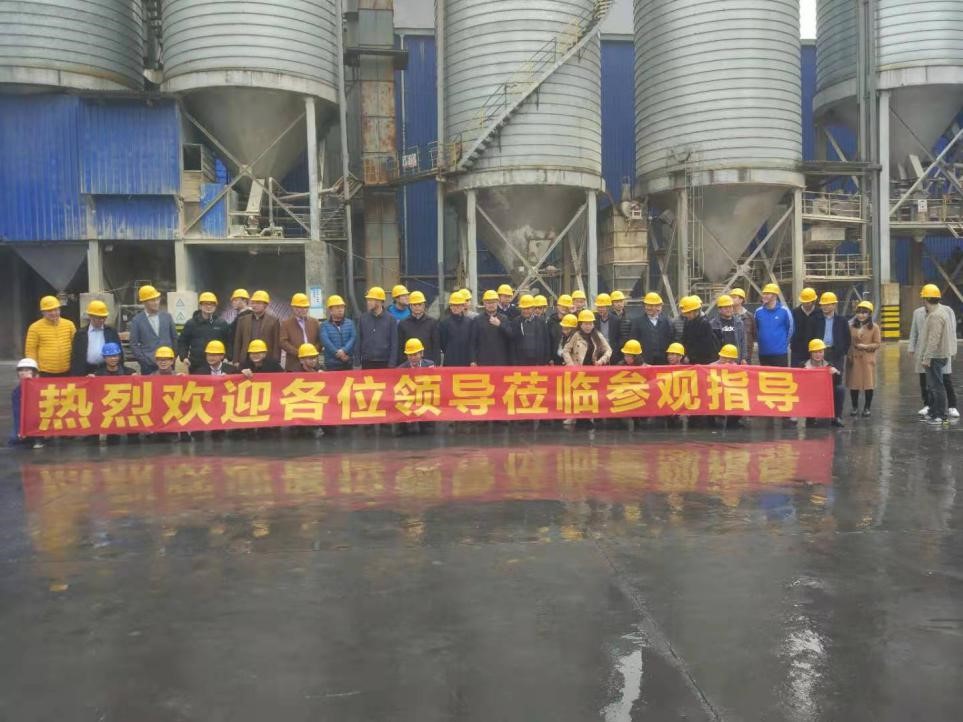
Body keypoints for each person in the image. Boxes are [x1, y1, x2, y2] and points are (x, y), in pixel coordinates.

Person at [909, 284, 959, 419]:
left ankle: (942, 413)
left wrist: (927, 357)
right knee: (931, 384)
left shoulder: (938, 314)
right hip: (932, 354)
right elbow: (916, 332)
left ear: (925, 299)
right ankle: (932, 409)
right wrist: (913, 348)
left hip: (936, 355)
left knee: (939, 385)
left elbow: (935, 338)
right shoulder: (927, 313)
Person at [128, 285, 177, 375]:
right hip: (148, 366)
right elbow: (134, 344)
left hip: (168, 364)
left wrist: (172, 358)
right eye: (152, 300)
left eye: (157, 299)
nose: (156, 302)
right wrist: (144, 361)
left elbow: (175, 338)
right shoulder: (137, 320)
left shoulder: (167, 317)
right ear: (144, 302)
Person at [178, 292, 231, 373]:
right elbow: (182, 342)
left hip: (216, 365)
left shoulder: (222, 323)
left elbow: (229, 342)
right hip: (196, 364)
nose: (209, 306)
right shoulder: (191, 323)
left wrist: (227, 357)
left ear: (215, 307)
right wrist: (184, 357)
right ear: (200, 306)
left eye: (212, 304)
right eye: (206, 304)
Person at [25, 296, 76, 377]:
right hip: (45, 372)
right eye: (49, 311)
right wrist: (33, 371)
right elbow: (30, 351)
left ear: (59, 310)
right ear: (43, 312)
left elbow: (76, 346)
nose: (53, 313)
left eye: (56, 310)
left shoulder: (69, 325)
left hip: (67, 371)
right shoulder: (34, 327)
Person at [846, 301, 881, 417]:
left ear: (869, 314)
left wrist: (866, 346)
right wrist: (849, 354)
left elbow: (877, 344)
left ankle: (867, 408)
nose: (861, 315)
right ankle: (855, 407)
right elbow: (848, 342)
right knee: (854, 384)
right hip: (854, 358)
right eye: (859, 312)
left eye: (864, 313)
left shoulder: (874, 327)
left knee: (868, 385)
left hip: (867, 359)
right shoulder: (851, 326)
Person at [70, 300, 122, 376]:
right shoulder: (80, 334)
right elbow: (75, 357)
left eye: (104, 317)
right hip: (86, 370)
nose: (102, 320)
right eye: (99, 318)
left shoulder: (111, 332)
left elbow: (119, 352)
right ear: (90, 316)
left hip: (106, 370)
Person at [232, 290, 281, 367]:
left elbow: (276, 343)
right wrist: (236, 360)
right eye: (253, 303)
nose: (254, 305)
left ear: (265, 305)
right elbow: (238, 341)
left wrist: (276, 362)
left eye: (258, 303)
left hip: (267, 360)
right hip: (246, 360)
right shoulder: (243, 320)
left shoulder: (273, 321)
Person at [805, 339, 845, 427]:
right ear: (810, 353)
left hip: (824, 392)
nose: (818, 355)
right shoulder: (803, 365)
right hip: (809, 393)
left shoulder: (829, 365)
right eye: (815, 352)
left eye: (820, 352)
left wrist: (836, 373)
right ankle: (810, 417)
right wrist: (804, 372)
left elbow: (837, 382)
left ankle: (836, 417)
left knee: (840, 389)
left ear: (824, 352)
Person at [356, 286, 398, 369]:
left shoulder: (391, 319)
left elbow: (394, 343)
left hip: (385, 362)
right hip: (367, 362)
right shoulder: (363, 318)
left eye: (370, 300)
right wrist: (357, 362)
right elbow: (358, 341)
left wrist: (392, 363)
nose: (368, 302)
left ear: (379, 301)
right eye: (368, 300)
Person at [810, 291, 850, 374]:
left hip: (836, 353)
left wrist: (842, 351)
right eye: (823, 305)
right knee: (820, 376)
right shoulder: (815, 319)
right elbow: (810, 336)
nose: (825, 307)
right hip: (819, 353)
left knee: (837, 376)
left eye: (828, 305)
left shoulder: (842, 320)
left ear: (834, 305)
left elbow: (847, 338)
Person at [754, 283, 793, 367]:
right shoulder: (758, 312)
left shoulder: (784, 311)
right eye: (764, 293)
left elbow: (790, 329)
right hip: (763, 353)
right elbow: (756, 329)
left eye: (767, 294)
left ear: (775, 296)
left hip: (780, 353)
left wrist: (783, 344)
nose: (764, 296)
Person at [630, 292, 674, 365]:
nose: (653, 308)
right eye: (650, 305)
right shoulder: (637, 322)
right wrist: (640, 361)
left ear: (661, 306)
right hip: (644, 362)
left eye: (657, 306)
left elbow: (672, 341)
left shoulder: (667, 322)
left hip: (664, 362)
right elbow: (633, 343)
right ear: (644, 306)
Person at [471, 290, 513, 366]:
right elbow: (473, 342)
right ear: (484, 303)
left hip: (500, 359)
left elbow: (511, 335)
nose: (491, 305)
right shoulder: (477, 320)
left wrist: (500, 325)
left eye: (493, 302)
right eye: (488, 302)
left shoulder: (504, 318)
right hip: (483, 360)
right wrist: (473, 360)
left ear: (497, 302)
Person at [398, 290, 441, 365]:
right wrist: (403, 365)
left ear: (424, 306)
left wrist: (436, 365)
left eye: (419, 304)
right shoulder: (403, 324)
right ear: (410, 306)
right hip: (409, 365)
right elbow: (400, 347)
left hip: (428, 365)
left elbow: (436, 347)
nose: (417, 307)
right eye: (414, 305)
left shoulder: (432, 323)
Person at [280, 293, 321, 371]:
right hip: (293, 365)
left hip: (313, 365)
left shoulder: (315, 322)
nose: (304, 310)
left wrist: (312, 353)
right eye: (300, 307)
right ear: (293, 308)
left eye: (306, 307)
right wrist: (300, 353)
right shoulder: (286, 324)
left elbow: (320, 341)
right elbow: (283, 342)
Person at [10, 358, 41, 448]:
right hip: (26, 423)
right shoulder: (16, 392)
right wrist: (21, 430)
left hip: (41, 422)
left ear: (36, 374)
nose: (23, 373)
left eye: (27, 370)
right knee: (15, 438)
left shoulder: (45, 389)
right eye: (21, 370)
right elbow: (17, 414)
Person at [512, 294, 550, 366]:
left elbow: (546, 341)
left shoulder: (541, 322)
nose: (526, 311)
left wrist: (546, 360)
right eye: (524, 308)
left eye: (528, 308)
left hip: (538, 361)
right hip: (521, 361)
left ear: (533, 308)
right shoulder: (516, 322)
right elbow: (513, 343)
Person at [320, 294, 355, 371]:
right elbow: (326, 342)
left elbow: (353, 338)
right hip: (332, 364)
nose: (340, 310)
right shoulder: (324, 325)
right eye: (337, 307)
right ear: (330, 310)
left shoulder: (350, 323)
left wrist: (344, 350)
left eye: (342, 307)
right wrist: (337, 353)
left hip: (348, 361)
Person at [679, 296, 719, 364]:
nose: (687, 315)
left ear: (696, 311)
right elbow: (684, 340)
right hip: (691, 360)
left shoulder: (704, 324)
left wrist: (690, 357)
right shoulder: (688, 321)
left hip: (704, 361)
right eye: (686, 313)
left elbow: (704, 345)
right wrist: (684, 355)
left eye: (688, 313)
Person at [709, 294, 747, 363]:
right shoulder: (713, 324)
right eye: (725, 307)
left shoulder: (739, 323)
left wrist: (743, 358)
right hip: (720, 360)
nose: (728, 309)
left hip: (735, 360)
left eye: (730, 307)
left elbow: (743, 341)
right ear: (719, 309)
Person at [439, 290, 473, 367]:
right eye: (453, 305)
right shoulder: (444, 323)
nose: (455, 308)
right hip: (450, 361)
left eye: (458, 305)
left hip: (466, 361)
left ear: (463, 306)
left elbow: (472, 343)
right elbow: (443, 344)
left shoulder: (470, 322)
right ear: (450, 306)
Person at [790, 288, 819, 367]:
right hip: (797, 352)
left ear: (813, 301)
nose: (805, 304)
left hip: (814, 351)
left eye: (808, 302)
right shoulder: (794, 313)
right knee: (797, 373)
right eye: (803, 302)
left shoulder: (819, 313)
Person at [595, 294, 623, 364]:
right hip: (598, 353)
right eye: (599, 307)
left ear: (608, 307)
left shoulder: (616, 320)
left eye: (602, 307)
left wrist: (615, 350)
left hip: (613, 353)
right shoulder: (594, 319)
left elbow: (620, 337)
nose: (600, 309)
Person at [547, 294, 574, 365]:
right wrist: (550, 358)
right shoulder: (551, 321)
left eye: (566, 306)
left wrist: (574, 313)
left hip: (571, 359)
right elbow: (548, 340)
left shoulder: (574, 319)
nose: (564, 308)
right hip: (555, 359)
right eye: (562, 306)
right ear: (558, 306)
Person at [730, 288, 756, 361]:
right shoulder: (728, 316)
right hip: (731, 353)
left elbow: (754, 334)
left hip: (746, 354)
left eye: (734, 297)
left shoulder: (749, 316)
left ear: (741, 300)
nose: (731, 299)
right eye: (731, 297)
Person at [227, 288, 251, 356]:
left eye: (236, 300)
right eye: (232, 300)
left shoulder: (248, 316)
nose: (233, 302)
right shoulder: (240, 316)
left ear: (245, 300)